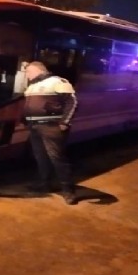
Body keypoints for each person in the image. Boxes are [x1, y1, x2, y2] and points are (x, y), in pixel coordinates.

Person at [22, 61, 79, 205]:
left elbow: (72, 102)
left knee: (57, 158)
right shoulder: (32, 86)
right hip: (35, 127)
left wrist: (64, 122)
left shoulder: (57, 82)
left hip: (50, 126)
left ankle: (68, 190)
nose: (26, 75)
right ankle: (44, 184)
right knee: (41, 157)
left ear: (39, 70)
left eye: (28, 72)